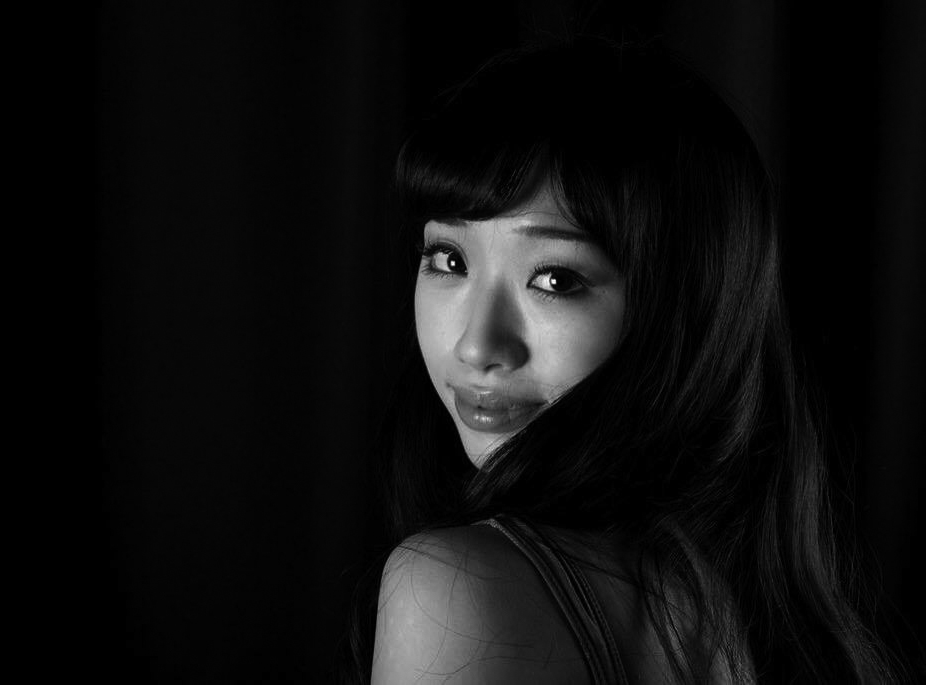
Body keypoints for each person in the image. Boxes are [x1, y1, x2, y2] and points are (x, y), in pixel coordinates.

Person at [345, 37, 905, 683]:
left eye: (555, 279)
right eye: (449, 259)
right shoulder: (750, 608)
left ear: (679, 309)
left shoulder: (453, 583)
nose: (477, 345)